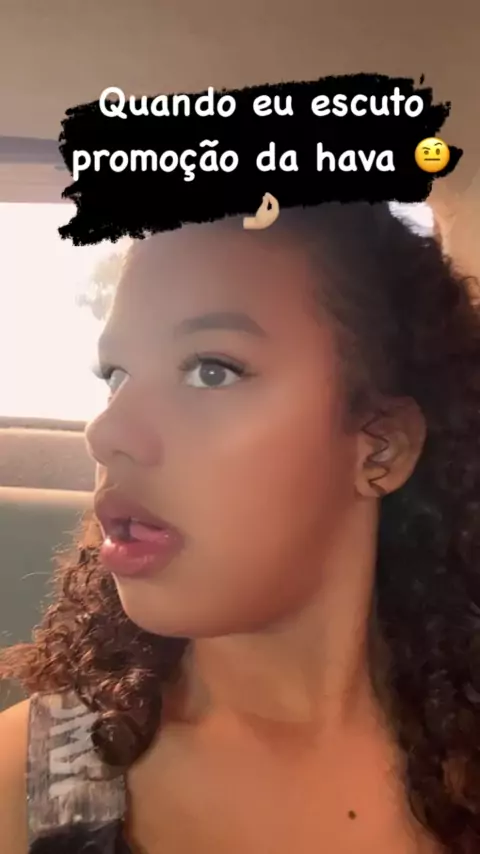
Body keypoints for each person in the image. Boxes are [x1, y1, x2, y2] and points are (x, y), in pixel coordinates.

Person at [1, 201, 480, 854]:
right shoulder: (24, 784)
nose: (106, 432)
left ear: (380, 448)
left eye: (211, 370)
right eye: (117, 377)